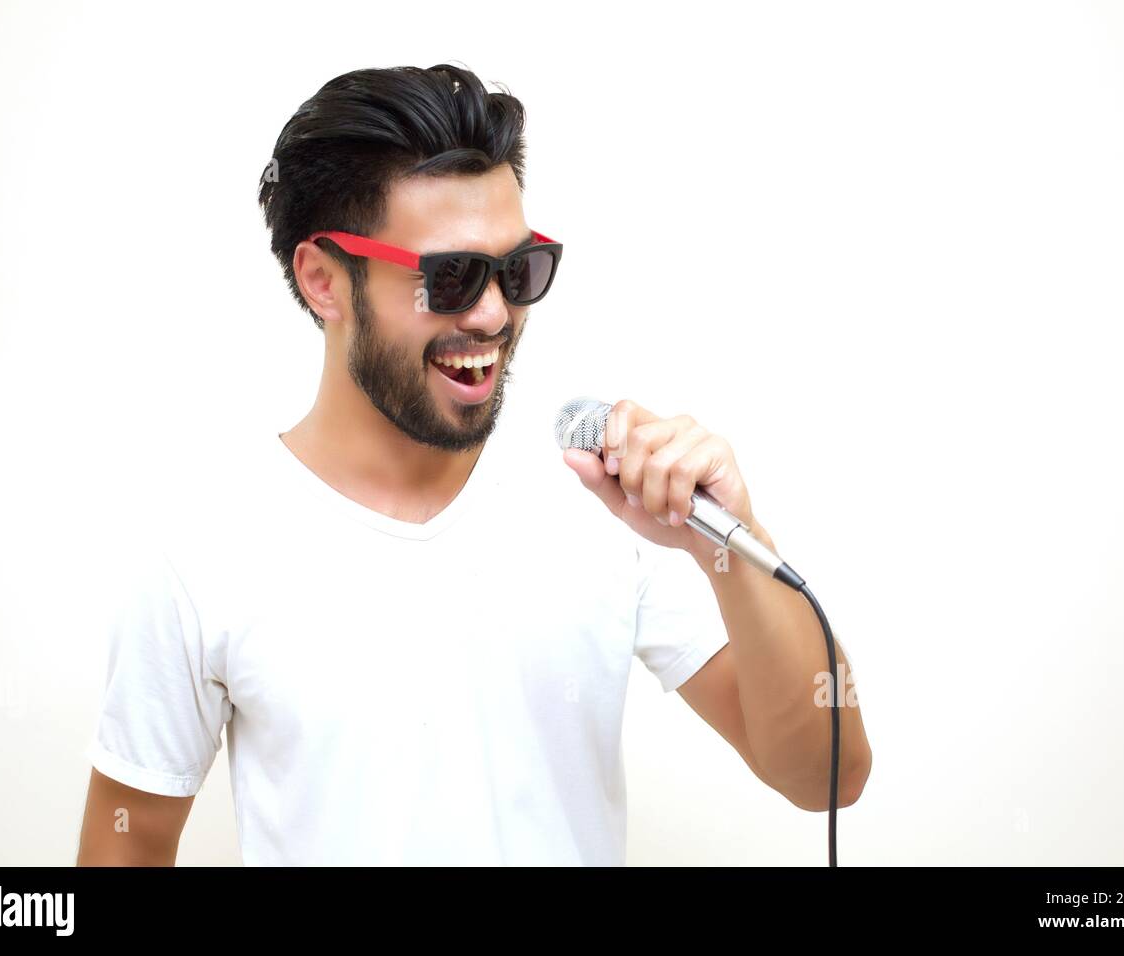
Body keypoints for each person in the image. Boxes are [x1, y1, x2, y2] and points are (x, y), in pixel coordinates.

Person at [76, 63, 871, 866]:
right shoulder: (206, 549)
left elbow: (825, 775)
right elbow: (128, 841)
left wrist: (726, 541)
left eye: (518, 269)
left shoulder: (604, 493)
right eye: (449, 277)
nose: (493, 313)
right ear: (324, 279)